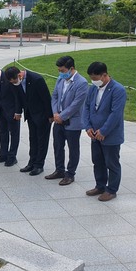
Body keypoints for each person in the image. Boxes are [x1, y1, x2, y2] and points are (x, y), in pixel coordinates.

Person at [82, 61, 126, 201]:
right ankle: (100, 185)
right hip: (94, 134)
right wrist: (88, 127)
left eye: (95, 78)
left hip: (110, 135)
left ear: (105, 75)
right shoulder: (93, 88)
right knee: (97, 161)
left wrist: (104, 131)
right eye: (91, 79)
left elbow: (115, 114)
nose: (93, 81)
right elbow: (87, 107)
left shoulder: (118, 90)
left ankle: (111, 190)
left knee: (111, 163)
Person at [46, 56, 88, 186]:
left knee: (73, 149)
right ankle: (59, 170)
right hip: (58, 119)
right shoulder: (60, 79)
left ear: (71, 69)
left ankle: (70, 174)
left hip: (72, 122)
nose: (60, 73)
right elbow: (55, 96)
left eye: (62, 70)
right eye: (59, 70)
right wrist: (55, 113)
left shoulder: (82, 83)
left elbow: (76, 104)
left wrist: (62, 116)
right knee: (58, 146)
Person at [5, 66, 53, 176]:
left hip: (42, 115)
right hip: (30, 115)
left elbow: (46, 98)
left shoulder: (36, 79)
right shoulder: (16, 83)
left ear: (19, 75)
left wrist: (50, 115)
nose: (14, 83)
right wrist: (18, 112)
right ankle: (31, 162)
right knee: (33, 139)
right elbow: (18, 97)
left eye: (14, 81)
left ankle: (39, 165)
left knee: (42, 141)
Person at [0, 67, 21, 166]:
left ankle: (12, 156)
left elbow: (16, 96)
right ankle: (3, 154)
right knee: (2, 132)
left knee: (14, 134)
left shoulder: (8, 78)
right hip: (0, 111)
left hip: (12, 111)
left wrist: (18, 112)